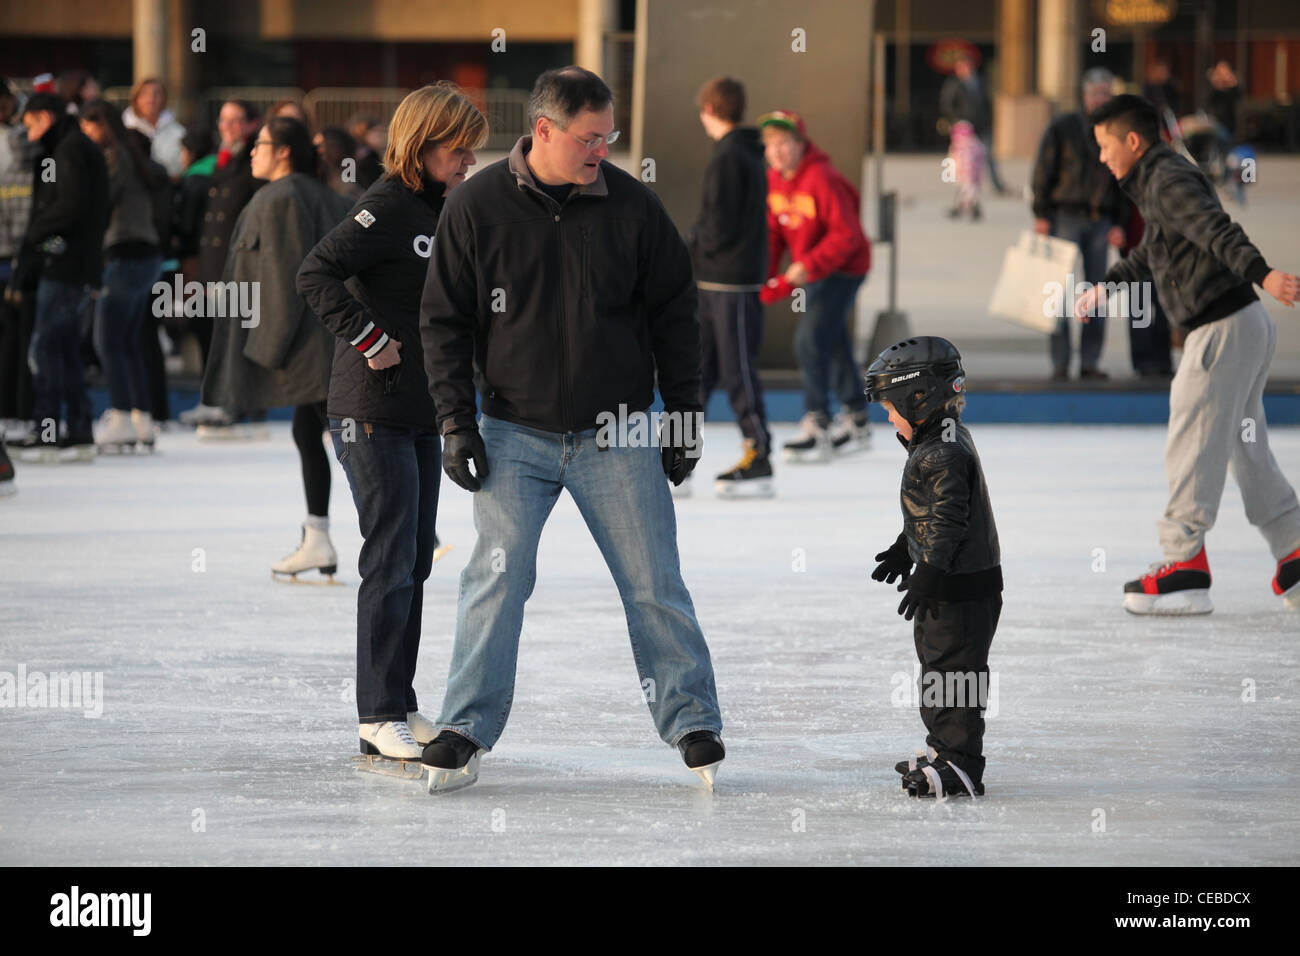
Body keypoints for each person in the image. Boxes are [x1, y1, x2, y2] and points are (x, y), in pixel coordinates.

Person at [418, 66, 725, 792]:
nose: (602, 151)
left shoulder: (633, 208)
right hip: (512, 432)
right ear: (544, 131)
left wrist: (681, 415)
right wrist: (456, 422)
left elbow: (676, 317)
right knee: (495, 579)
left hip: (617, 431)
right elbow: (442, 323)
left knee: (654, 581)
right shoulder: (476, 206)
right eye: (591, 138)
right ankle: (465, 726)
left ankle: (691, 721)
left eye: (609, 137)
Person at [297, 83, 487, 761]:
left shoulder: (446, 207)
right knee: (391, 558)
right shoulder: (384, 205)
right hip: (369, 411)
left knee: (413, 558)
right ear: (424, 142)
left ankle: (397, 702)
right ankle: (376, 712)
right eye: (458, 147)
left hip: (420, 411)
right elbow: (316, 272)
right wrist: (371, 339)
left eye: (472, 147)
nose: (469, 158)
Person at [1077, 94, 1300, 613]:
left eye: (1106, 146)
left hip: (1221, 327)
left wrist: (1263, 273)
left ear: (1133, 141)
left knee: (1192, 436)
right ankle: (1294, 550)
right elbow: (1156, 250)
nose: (1103, 158)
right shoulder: (1159, 180)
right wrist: (1106, 286)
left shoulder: (1167, 180)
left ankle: (1184, 564)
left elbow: (1215, 230)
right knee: (1245, 448)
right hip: (1241, 325)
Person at [200, 117, 351, 577]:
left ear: (283, 151)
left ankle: (401, 532)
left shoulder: (282, 198)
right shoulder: (316, 194)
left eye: (260, 144)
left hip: (309, 346)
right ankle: (319, 537)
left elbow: (288, 279)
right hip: (321, 343)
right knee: (315, 434)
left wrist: (266, 349)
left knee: (349, 444)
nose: (251, 151)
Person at [865, 336, 1002, 798]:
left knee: (955, 676)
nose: (887, 417)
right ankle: (945, 750)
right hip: (952, 583)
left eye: (890, 407)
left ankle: (961, 767)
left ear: (916, 397)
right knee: (938, 670)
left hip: (959, 587)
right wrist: (906, 550)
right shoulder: (940, 439)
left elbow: (947, 520)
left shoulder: (941, 451)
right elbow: (930, 515)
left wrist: (929, 571)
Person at [758, 109, 872, 463]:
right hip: (815, 271)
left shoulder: (822, 178)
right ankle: (856, 420)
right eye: (770, 145)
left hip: (844, 269)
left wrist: (808, 265)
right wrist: (764, 277)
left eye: (784, 143)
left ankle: (817, 423)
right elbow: (774, 234)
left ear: (800, 144)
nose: (777, 152)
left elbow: (848, 235)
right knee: (831, 339)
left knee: (809, 339)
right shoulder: (774, 181)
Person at [8, 93, 109, 462]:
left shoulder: (68, 150)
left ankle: (48, 429)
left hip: (67, 267)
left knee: (47, 348)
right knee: (63, 349)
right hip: (73, 264)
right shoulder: (69, 148)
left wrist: (36, 235)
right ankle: (78, 429)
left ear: (46, 117)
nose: (26, 128)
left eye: (31, 121)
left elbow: (70, 206)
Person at [687, 75, 773, 498]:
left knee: (736, 368)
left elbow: (718, 224)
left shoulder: (729, 157)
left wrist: (688, 246)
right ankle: (679, 454)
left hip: (729, 280)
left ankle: (759, 453)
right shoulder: (745, 153)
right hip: (719, 279)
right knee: (699, 370)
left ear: (709, 110)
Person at [1030, 68, 1129, 381]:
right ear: (1084, 96)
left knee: (1097, 292)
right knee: (1057, 290)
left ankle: (1089, 362)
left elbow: (1125, 179)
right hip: (1064, 217)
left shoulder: (1118, 131)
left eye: (1106, 93)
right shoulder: (1063, 127)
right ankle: (1060, 362)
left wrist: (1120, 223)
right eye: (1095, 93)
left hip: (1102, 220)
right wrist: (1041, 214)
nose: (1101, 99)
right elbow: (1043, 171)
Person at [78, 100, 164, 452]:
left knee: (108, 340)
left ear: (103, 126)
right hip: (145, 254)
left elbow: (100, 202)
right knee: (128, 340)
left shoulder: (113, 156)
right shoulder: (132, 154)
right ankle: (141, 416)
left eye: (88, 127)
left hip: (126, 253)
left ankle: (122, 415)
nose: (86, 135)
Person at [181, 99, 262, 428]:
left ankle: (234, 401)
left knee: (233, 336)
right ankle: (211, 397)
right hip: (211, 263)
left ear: (251, 125)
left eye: (235, 120)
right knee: (208, 332)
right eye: (223, 120)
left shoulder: (253, 162)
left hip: (239, 263)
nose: (227, 126)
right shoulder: (217, 162)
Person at [0, 77, 38, 435]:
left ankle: (15, 410)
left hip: (16, 253)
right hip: (14, 252)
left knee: (18, 335)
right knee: (16, 335)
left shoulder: (18, 146)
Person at [940, 51, 1005, 195]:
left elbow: (987, 103)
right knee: (962, 159)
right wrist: (958, 121)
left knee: (988, 155)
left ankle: (996, 184)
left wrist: (990, 121)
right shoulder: (954, 84)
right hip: (964, 129)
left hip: (982, 127)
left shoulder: (980, 82)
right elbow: (947, 104)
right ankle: (961, 186)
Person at [122, 77, 186, 178]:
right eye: (144, 94)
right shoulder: (123, 129)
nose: (151, 98)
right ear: (135, 98)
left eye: (157, 94)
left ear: (164, 98)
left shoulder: (178, 132)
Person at [946, 119, 985, 221]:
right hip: (969, 176)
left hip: (968, 176)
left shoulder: (965, 147)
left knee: (968, 194)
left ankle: (969, 208)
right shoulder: (975, 145)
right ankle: (970, 208)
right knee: (970, 193)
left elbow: (962, 162)